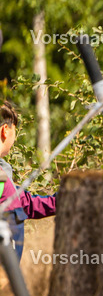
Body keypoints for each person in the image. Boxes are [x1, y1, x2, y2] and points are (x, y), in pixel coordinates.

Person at [0, 101, 56, 258]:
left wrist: (65, 198)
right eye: (14, 132)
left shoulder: (4, 173)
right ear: (5, 130)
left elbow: (27, 203)